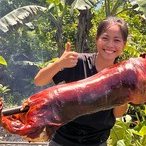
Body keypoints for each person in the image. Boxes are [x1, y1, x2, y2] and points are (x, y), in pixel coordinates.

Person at [34, 16, 129, 146]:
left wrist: (123, 94)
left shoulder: (123, 74)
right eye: (105, 38)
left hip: (97, 142)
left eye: (117, 40)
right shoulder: (77, 62)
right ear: (97, 39)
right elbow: (39, 80)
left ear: (124, 44)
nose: (110, 45)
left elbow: (118, 114)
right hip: (62, 140)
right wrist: (59, 63)